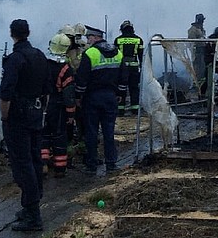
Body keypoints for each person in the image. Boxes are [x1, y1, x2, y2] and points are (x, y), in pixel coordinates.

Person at [0, 19, 50, 231]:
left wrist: (4, 118)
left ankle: (33, 213)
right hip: (36, 113)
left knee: (22, 163)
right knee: (35, 159)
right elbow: (47, 87)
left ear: (12, 34)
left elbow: (5, 93)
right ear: (28, 33)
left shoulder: (15, 59)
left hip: (18, 117)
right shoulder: (39, 55)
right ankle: (30, 205)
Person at [75, 26, 123, 176]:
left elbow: (82, 78)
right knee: (109, 131)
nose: (88, 40)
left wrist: (78, 96)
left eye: (89, 38)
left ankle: (91, 164)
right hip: (111, 96)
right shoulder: (117, 52)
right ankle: (111, 164)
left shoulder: (90, 53)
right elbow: (124, 75)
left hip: (92, 98)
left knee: (91, 131)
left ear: (95, 38)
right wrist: (120, 92)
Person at [42, 33, 77, 178]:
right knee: (59, 136)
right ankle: (60, 169)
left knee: (43, 135)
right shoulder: (65, 69)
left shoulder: (42, 64)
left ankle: (42, 164)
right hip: (58, 107)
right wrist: (70, 114)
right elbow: (68, 95)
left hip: (42, 104)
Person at [114, 20, 144, 115]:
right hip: (134, 68)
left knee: (121, 89)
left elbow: (115, 55)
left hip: (121, 69)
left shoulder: (118, 40)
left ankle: (120, 110)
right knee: (134, 89)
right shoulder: (138, 40)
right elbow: (141, 55)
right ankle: (135, 110)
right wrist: (143, 67)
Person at [187, 14, 207, 96]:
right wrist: (200, 41)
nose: (202, 22)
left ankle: (202, 86)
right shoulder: (193, 30)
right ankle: (196, 86)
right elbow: (191, 42)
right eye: (201, 20)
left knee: (203, 70)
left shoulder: (201, 29)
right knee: (197, 69)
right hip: (197, 52)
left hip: (203, 51)